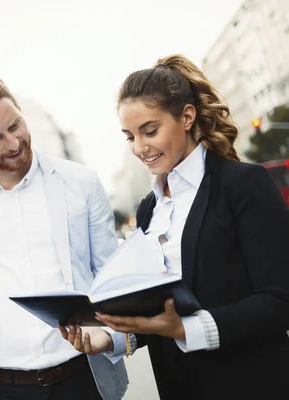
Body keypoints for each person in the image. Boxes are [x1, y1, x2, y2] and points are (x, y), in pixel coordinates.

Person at [61, 54, 289, 400]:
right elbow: (160, 312)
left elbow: (280, 300)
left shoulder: (243, 184)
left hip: (252, 383)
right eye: (129, 136)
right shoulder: (150, 209)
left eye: (150, 131)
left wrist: (187, 329)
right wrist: (115, 336)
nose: (140, 147)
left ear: (186, 117)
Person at [0, 72, 128, 400]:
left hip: (82, 378)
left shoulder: (81, 182)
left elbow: (112, 279)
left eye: (15, 126)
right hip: (6, 388)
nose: (13, 144)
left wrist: (113, 338)